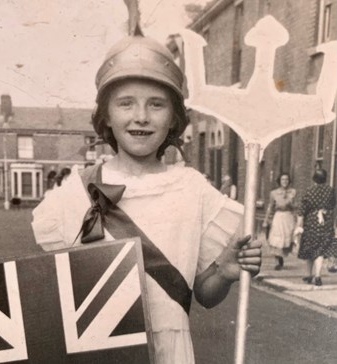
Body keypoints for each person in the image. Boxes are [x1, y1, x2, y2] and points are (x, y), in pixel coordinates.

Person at [31, 29, 261, 364]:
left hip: (169, 353)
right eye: (126, 103)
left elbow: (205, 296)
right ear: (107, 114)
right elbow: (51, 299)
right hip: (100, 353)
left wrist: (225, 273)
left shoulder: (193, 190)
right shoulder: (73, 195)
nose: (141, 116)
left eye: (156, 104)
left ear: (173, 118)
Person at [293, 168, 335, 286]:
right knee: (320, 250)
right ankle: (317, 276)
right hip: (325, 223)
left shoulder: (309, 191)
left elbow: (302, 210)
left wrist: (298, 225)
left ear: (314, 178)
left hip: (311, 223)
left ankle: (308, 274)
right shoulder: (330, 191)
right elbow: (332, 206)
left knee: (310, 248)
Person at [262, 173, 296, 270]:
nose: (284, 181)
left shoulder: (293, 192)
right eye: (282, 179)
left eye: (286, 179)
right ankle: (277, 260)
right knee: (276, 238)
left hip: (288, 216)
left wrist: (291, 203)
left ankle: (282, 257)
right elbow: (270, 207)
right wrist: (266, 219)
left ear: (289, 181)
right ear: (279, 181)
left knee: (287, 238)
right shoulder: (274, 193)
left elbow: (295, 207)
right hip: (278, 216)